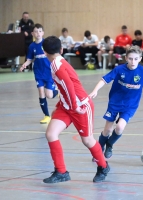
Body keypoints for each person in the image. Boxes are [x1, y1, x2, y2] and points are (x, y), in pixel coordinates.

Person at [89, 46, 143, 159]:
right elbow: (104, 80)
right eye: (130, 58)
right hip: (115, 103)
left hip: (130, 105)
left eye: (136, 59)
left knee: (120, 127)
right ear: (126, 58)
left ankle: (110, 144)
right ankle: (99, 149)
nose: (133, 61)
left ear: (140, 59)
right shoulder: (119, 69)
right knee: (107, 130)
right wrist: (95, 90)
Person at [41, 36, 110, 183]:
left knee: (87, 140)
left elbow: (69, 86)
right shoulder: (58, 62)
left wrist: (75, 106)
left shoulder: (56, 65)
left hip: (80, 106)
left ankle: (103, 166)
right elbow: (65, 87)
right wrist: (61, 106)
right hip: (67, 106)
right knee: (51, 134)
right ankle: (61, 172)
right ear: (61, 49)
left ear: (45, 52)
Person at [19, 24, 58, 124]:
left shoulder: (46, 44)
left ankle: (58, 91)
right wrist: (24, 65)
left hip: (49, 72)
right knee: (41, 93)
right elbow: (29, 59)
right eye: (36, 31)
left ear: (43, 33)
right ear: (32, 33)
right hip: (38, 73)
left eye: (40, 31)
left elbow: (54, 56)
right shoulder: (32, 46)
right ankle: (47, 116)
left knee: (49, 95)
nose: (38, 33)